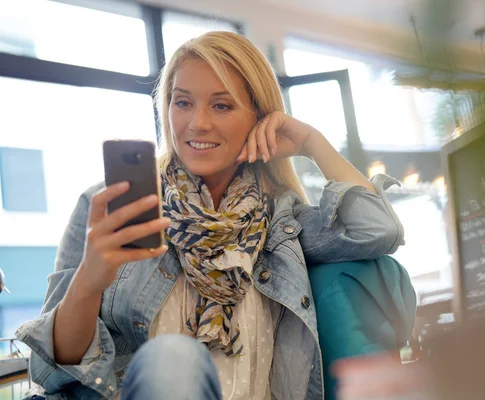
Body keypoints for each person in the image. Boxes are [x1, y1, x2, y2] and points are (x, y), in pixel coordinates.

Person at [16, 31, 404, 400]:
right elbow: (50, 370)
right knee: (171, 358)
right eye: (182, 102)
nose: (197, 123)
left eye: (221, 105)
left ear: (259, 117)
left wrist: (311, 143)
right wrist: (88, 280)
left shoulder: (281, 219)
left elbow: (379, 229)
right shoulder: (107, 206)